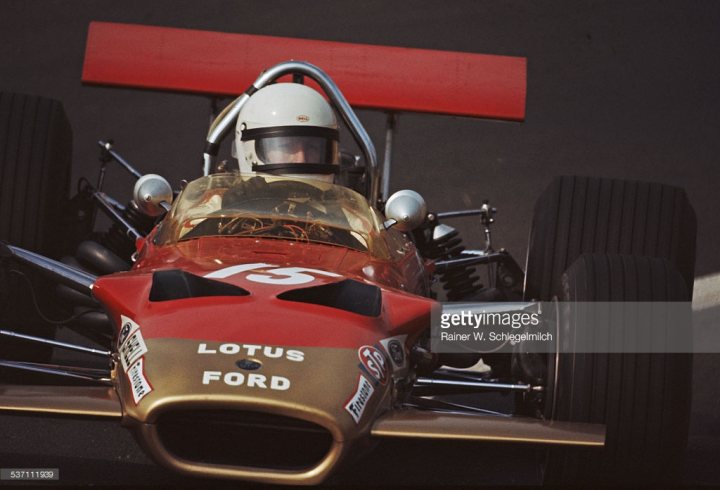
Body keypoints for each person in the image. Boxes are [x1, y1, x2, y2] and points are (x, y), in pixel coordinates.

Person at [233, 82, 340, 184]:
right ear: (248, 152)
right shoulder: (219, 202)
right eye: (287, 146)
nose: (301, 160)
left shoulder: (343, 202)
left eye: (312, 147)